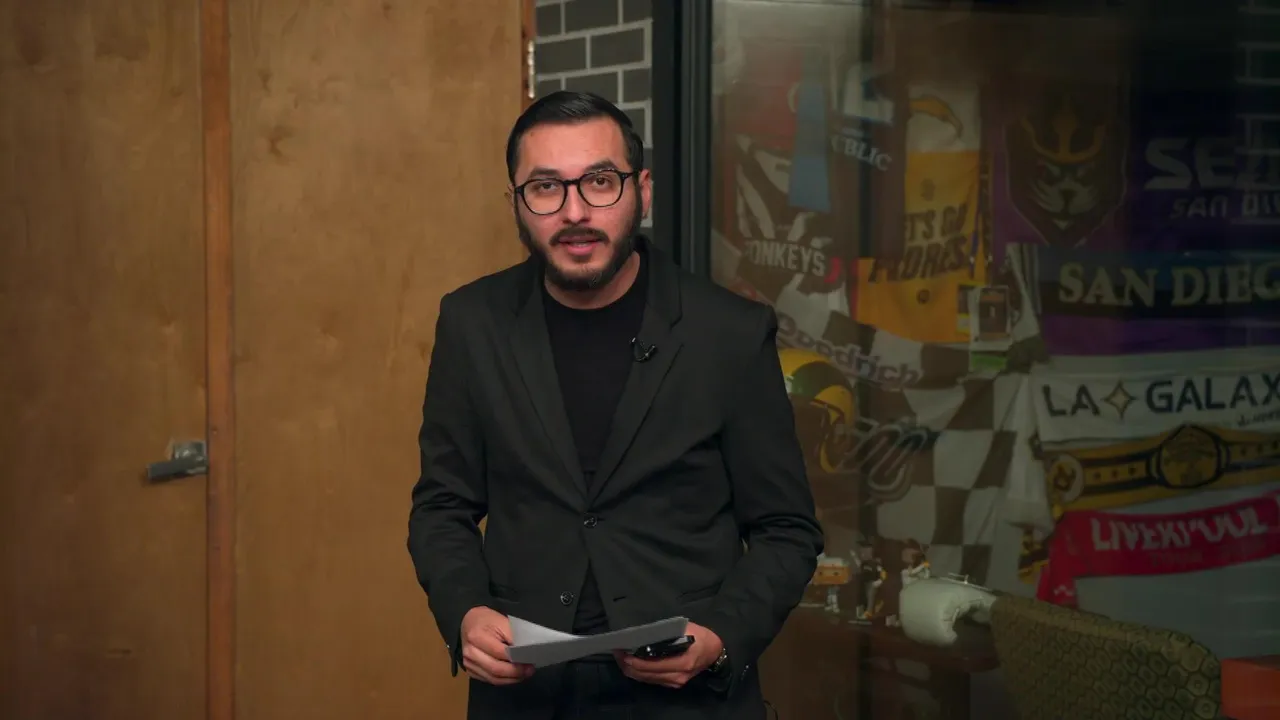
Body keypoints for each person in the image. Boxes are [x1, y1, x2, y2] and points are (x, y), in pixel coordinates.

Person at [407, 91, 824, 720]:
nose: (575, 211)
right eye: (545, 188)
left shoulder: (730, 333)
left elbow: (786, 530)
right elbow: (442, 506)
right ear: (516, 202)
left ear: (642, 190)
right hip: (526, 698)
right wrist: (465, 612)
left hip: (690, 700)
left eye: (600, 182)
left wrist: (720, 637)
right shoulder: (472, 323)